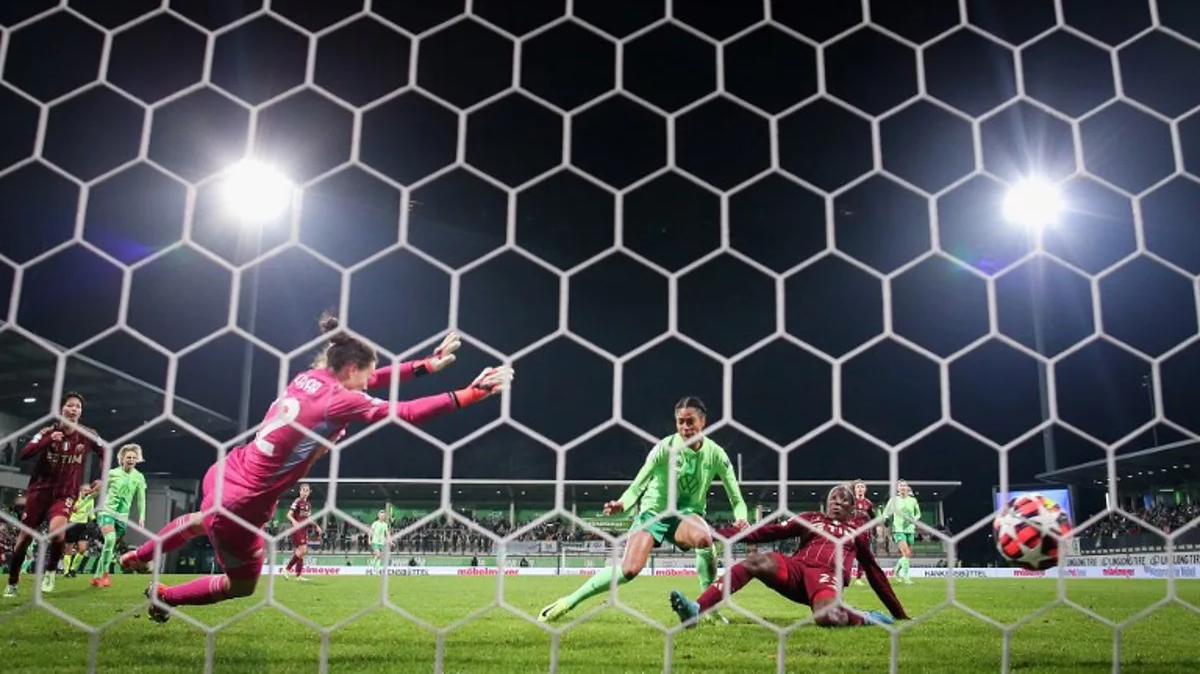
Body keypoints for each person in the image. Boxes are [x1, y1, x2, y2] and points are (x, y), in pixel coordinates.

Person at [121, 317, 510, 622]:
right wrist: (473, 393)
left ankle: (139, 556)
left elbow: (375, 377)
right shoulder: (340, 401)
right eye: (364, 375)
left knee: (200, 519)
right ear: (351, 369)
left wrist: (426, 366)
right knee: (242, 585)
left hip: (226, 470)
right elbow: (406, 412)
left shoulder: (308, 378)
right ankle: (165, 595)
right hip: (245, 501)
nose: (367, 384)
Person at [538, 396, 748, 623]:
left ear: (703, 422)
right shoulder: (664, 449)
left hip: (685, 516)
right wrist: (622, 503)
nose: (685, 427)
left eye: (691, 421)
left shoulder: (716, 454)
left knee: (704, 537)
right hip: (654, 513)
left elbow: (737, 498)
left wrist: (742, 518)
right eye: (680, 422)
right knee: (629, 570)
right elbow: (638, 485)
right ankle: (568, 601)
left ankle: (707, 609)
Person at [669, 484, 908, 628]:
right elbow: (767, 531)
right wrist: (716, 534)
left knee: (827, 618)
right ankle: (696, 610)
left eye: (844, 499)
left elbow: (875, 573)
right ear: (827, 502)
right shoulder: (811, 518)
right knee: (756, 561)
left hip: (825, 578)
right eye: (834, 497)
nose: (837, 501)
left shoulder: (856, 534)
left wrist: (899, 613)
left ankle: (865, 617)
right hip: (796, 568)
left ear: (851, 508)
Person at [4, 392, 102, 598]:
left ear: (80, 412)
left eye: (78, 407)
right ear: (61, 409)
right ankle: (12, 582)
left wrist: (101, 477)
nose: (74, 409)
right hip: (39, 492)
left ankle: (50, 572)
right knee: (23, 540)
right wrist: (47, 441)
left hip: (65, 494)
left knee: (58, 534)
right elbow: (24, 453)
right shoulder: (47, 432)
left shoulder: (87, 434)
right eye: (70, 406)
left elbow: (105, 451)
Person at [92, 444, 147, 587]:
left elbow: (141, 499)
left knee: (110, 546)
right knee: (109, 539)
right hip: (106, 510)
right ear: (122, 458)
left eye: (134, 458)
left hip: (122, 516)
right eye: (129, 457)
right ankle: (104, 576)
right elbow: (99, 489)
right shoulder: (112, 473)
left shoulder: (139, 477)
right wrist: (84, 500)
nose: (131, 459)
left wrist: (142, 517)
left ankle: (97, 576)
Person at [882, 480, 921, 585]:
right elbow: (886, 512)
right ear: (897, 488)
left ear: (908, 488)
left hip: (910, 529)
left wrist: (914, 520)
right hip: (898, 529)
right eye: (901, 486)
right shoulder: (893, 500)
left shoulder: (913, 500)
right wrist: (886, 519)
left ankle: (896, 570)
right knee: (905, 553)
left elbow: (918, 514)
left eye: (905, 486)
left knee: (907, 554)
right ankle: (907, 578)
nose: (903, 488)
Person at [282, 484, 317, 581]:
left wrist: (316, 526)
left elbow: (308, 518)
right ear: (300, 491)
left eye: (307, 490)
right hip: (297, 529)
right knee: (303, 550)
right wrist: (294, 522)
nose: (305, 492)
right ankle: (287, 569)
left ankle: (298, 575)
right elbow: (288, 515)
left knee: (300, 552)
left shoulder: (308, 505)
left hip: (304, 530)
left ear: (309, 492)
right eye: (303, 490)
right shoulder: (297, 501)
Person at [64, 483, 96, 578]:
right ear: (80, 490)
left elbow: (90, 512)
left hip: (83, 525)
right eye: (85, 490)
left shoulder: (90, 499)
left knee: (82, 549)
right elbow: (68, 509)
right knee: (69, 549)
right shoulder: (73, 498)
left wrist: (95, 520)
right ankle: (66, 571)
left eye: (88, 491)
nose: (87, 492)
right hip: (72, 524)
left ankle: (73, 569)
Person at [850, 479, 874, 587]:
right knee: (847, 554)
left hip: (864, 533)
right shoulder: (850, 502)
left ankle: (858, 578)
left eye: (862, 487)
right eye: (858, 487)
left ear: (865, 489)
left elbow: (873, 518)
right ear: (854, 489)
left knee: (863, 556)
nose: (860, 489)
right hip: (852, 532)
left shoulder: (868, 503)